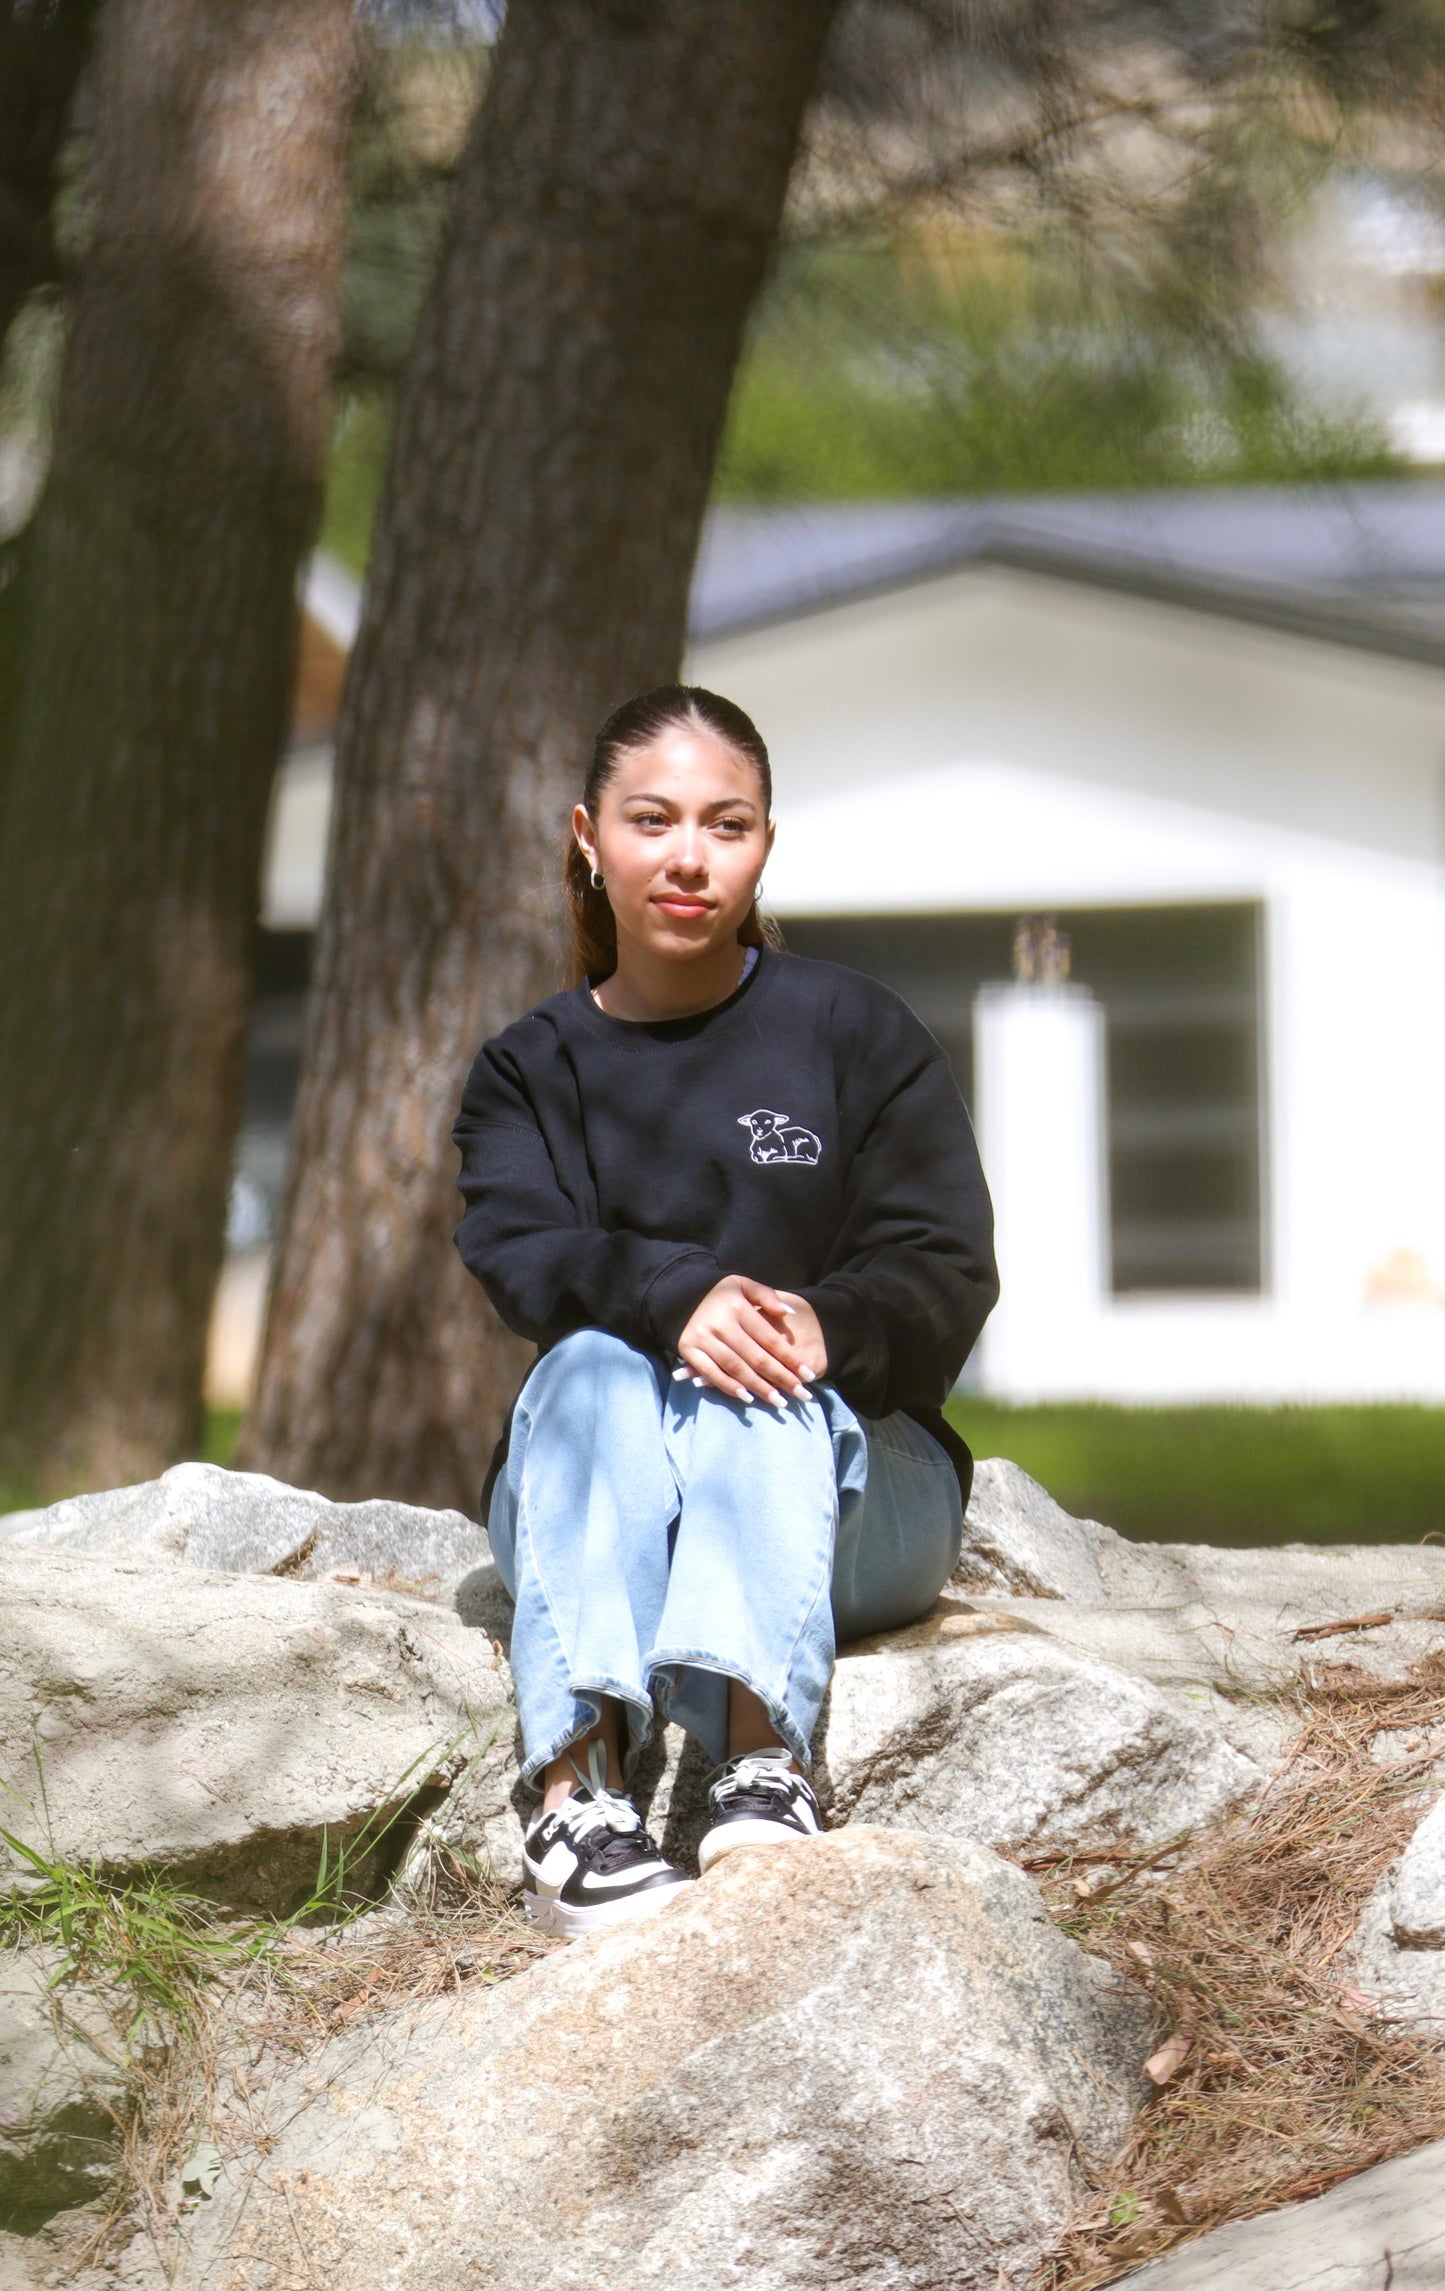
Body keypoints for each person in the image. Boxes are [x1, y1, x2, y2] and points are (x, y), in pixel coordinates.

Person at [452, 685, 998, 1939]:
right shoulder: (531, 1070)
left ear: (764, 843)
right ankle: (573, 1795)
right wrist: (673, 1293)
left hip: (850, 1494)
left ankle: (761, 1767)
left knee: (757, 1383)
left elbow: (944, 1265)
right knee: (590, 1367)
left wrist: (820, 1324)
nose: (689, 856)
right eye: (652, 820)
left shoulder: (854, 1031)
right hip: (607, 1486)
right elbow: (519, 1249)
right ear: (588, 835)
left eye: (726, 823)